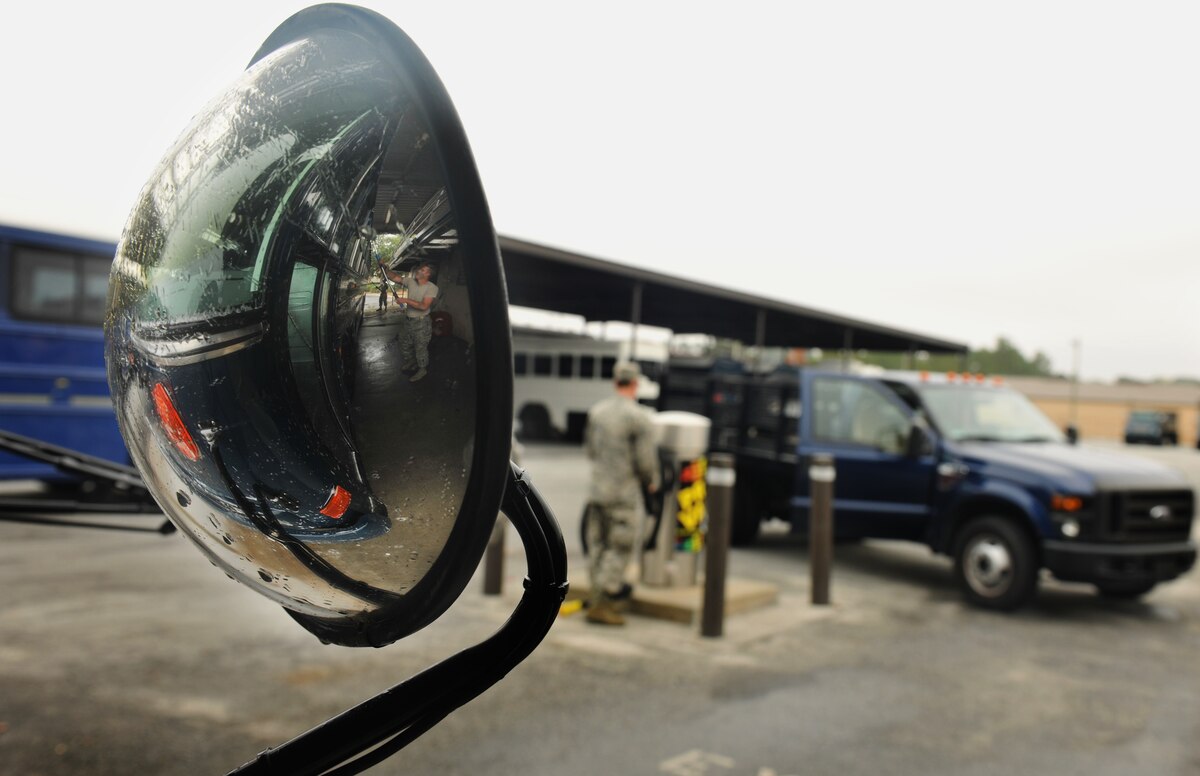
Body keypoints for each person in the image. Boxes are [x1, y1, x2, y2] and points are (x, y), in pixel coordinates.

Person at [583, 361, 660, 625]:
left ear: (615, 382)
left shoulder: (597, 412)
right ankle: (605, 604)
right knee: (619, 546)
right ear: (635, 383)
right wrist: (651, 482)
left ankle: (595, 596)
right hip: (622, 495)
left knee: (598, 545)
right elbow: (645, 462)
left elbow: (591, 450)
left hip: (597, 492)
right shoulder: (639, 418)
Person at [380, 260, 438, 382]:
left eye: (423, 270)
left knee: (420, 347)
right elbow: (394, 277)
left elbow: (424, 306)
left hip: (422, 322)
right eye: (420, 269)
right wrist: (385, 268)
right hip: (408, 321)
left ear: (428, 274)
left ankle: (422, 369)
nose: (419, 271)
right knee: (403, 342)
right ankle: (411, 361)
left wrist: (405, 300)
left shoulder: (432, 288)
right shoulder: (411, 281)